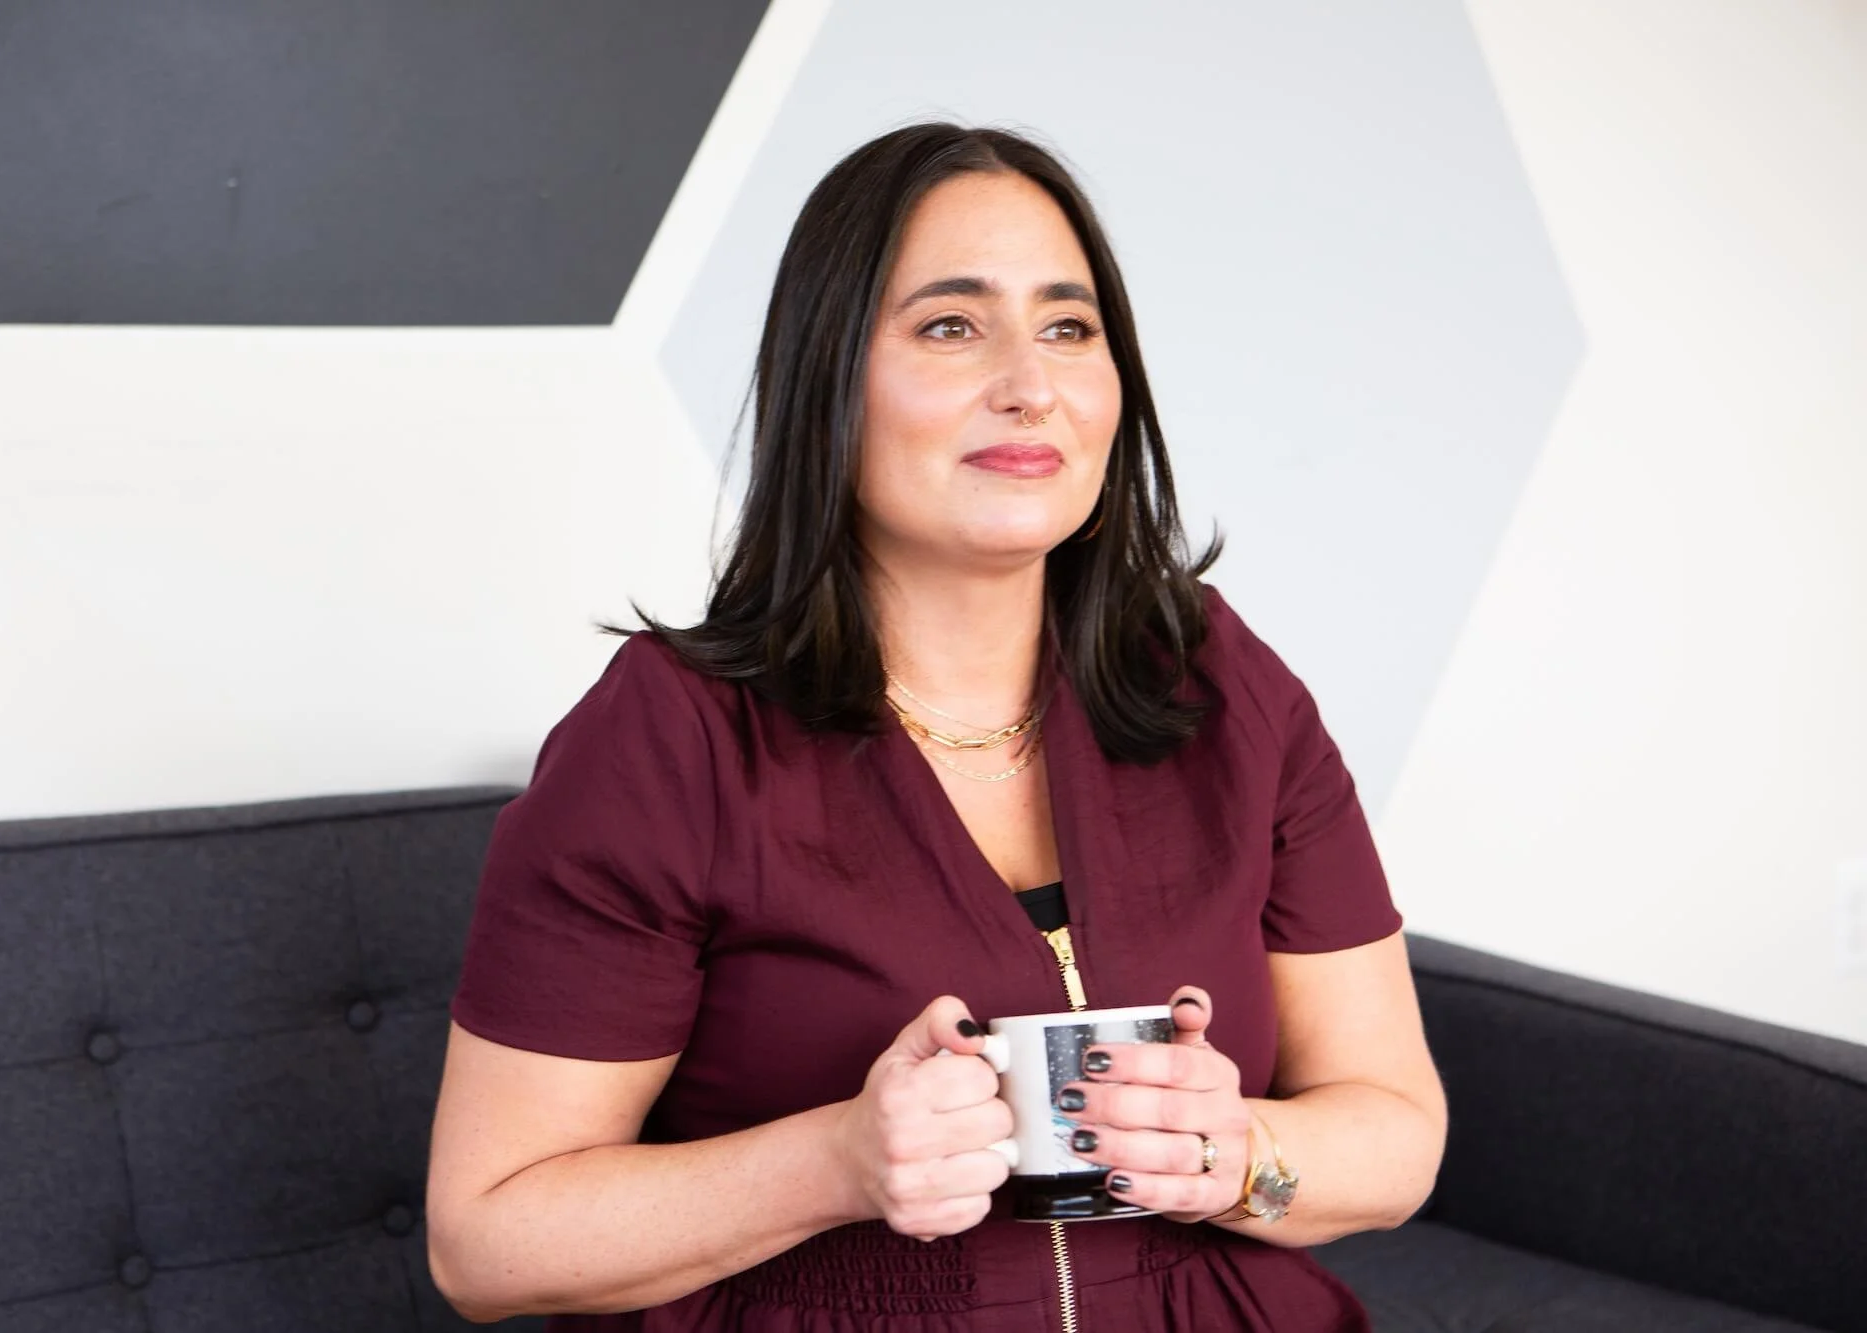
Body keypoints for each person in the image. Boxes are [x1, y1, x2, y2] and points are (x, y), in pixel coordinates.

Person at [424, 121, 1447, 1331]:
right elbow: (486, 1239)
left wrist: (1239, 1153)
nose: (1030, 383)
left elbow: (1393, 1131)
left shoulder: (1219, 687)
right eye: (950, 325)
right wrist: (834, 1165)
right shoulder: (669, 736)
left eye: (1068, 327)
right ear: (830, 377)